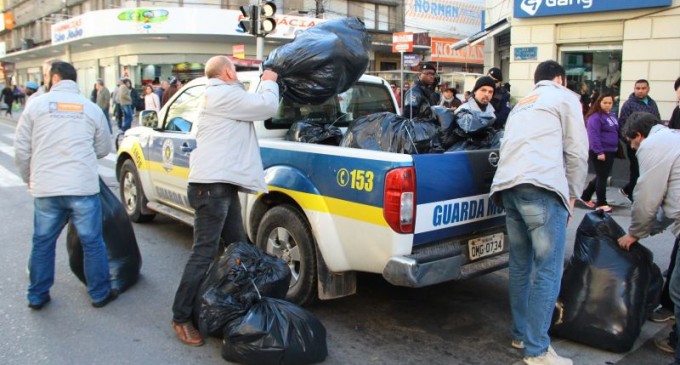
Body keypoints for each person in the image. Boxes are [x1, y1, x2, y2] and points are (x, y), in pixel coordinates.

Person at [171, 55, 279, 346]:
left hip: (222, 186)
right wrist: (270, 80)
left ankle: (235, 303)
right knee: (203, 253)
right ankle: (180, 318)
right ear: (228, 72)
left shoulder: (228, 95)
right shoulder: (220, 95)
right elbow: (268, 106)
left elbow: (251, 102)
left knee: (238, 246)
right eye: (235, 68)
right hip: (211, 188)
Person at [490, 60, 588, 365]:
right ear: (559, 79)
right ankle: (537, 350)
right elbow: (577, 150)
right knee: (548, 267)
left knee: (520, 265)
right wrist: (573, 194)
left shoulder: (522, 104)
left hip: (508, 187)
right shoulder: (564, 97)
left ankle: (521, 335)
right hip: (542, 187)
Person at [13, 61, 116, 310]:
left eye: (48, 75)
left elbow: (21, 149)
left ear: (55, 78)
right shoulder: (90, 109)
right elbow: (103, 148)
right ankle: (100, 293)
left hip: (47, 188)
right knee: (92, 243)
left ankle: (37, 296)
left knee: (43, 242)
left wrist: (30, 178)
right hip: (82, 188)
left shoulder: (35, 106)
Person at [616, 112, 680, 364]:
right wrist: (646, 231)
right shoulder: (673, 138)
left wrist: (634, 233)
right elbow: (667, 202)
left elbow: (646, 198)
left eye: (631, 143)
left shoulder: (652, 146)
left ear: (639, 136)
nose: (632, 148)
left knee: (677, 290)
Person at [618, 79, 660, 202]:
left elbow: (657, 121)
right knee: (636, 169)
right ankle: (632, 195)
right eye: (638, 88)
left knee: (646, 170)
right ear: (634, 89)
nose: (640, 91)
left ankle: (629, 190)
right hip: (635, 144)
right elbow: (623, 125)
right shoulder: (628, 105)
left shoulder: (652, 103)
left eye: (643, 88)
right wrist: (630, 142)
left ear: (648, 89)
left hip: (651, 143)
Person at [579, 94, 619, 212]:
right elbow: (593, 135)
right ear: (599, 102)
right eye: (605, 102)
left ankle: (585, 196)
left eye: (610, 103)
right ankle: (601, 202)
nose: (607, 105)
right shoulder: (595, 117)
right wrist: (599, 151)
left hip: (610, 150)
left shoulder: (611, 116)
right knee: (602, 177)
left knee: (602, 175)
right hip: (600, 151)